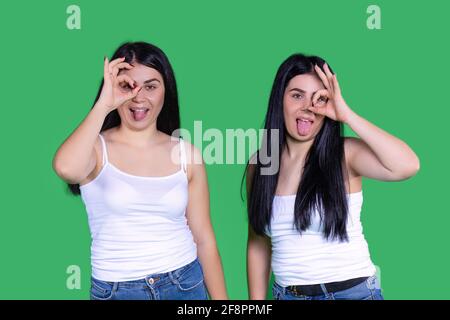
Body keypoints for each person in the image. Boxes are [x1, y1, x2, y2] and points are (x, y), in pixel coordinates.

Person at [53, 42, 227, 300]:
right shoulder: (95, 150)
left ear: (165, 90)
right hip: (117, 290)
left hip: (184, 284)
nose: (139, 97)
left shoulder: (186, 153)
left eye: (151, 86)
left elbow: (203, 238)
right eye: (127, 86)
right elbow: (66, 168)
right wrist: (104, 105)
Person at [246, 53, 420, 300]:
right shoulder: (260, 164)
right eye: (297, 95)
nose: (308, 107)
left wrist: (347, 114)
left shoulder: (345, 154)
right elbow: (257, 241)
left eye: (319, 98)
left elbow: (407, 165)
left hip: (353, 293)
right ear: (279, 99)